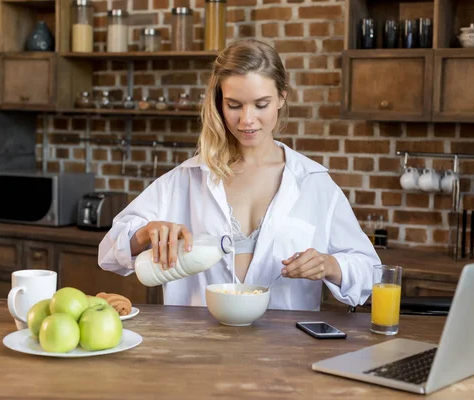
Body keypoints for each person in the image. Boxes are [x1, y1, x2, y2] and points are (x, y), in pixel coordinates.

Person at [98, 38, 381, 311]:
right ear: (220, 103)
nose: (247, 120)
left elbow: (372, 272)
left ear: (282, 98)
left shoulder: (312, 182)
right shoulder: (186, 179)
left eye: (261, 104)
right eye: (234, 105)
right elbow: (108, 254)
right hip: (194, 348)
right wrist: (146, 233)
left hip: (285, 351)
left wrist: (329, 265)